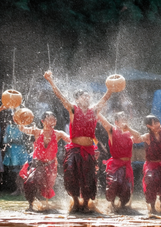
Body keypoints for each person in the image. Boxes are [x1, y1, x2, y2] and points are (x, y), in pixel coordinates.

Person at [44, 70, 113, 213]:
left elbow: (105, 98)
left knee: (89, 178)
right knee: (71, 175)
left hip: (88, 151)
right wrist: (51, 81)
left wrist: (111, 88)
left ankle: (86, 203)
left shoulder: (94, 111)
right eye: (83, 96)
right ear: (77, 99)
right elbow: (60, 96)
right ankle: (75, 202)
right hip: (74, 150)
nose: (87, 98)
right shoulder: (73, 109)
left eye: (88, 96)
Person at [18, 111, 70, 211]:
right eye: (49, 119)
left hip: (50, 166)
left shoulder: (58, 133)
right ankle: (31, 205)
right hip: (37, 164)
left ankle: (44, 206)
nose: (52, 121)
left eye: (54, 119)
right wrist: (19, 121)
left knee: (46, 187)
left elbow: (70, 140)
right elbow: (22, 129)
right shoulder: (36, 131)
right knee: (29, 183)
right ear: (43, 121)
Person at [97, 112, 136, 210]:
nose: (124, 122)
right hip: (115, 164)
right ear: (116, 122)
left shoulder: (131, 133)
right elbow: (103, 120)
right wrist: (96, 110)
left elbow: (140, 137)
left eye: (125, 120)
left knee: (126, 189)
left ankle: (122, 206)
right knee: (113, 185)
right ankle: (112, 206)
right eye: (122, 120)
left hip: (126, 165)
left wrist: (129, 129)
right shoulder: (112, 130)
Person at [3, 120, 28, 196]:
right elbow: (5, 139)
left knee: (23, 169)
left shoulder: (23, 126)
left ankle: (24, 189)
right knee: (16, 170)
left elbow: (26, 138)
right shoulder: (9, 126)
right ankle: (18, 189)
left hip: (21, 150)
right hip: (13, 150)